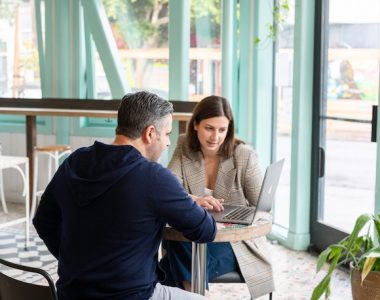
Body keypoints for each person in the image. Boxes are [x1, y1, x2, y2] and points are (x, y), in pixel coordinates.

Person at [33, 91, 216, 300]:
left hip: (72, 294)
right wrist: (186, 199)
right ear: (150, 133)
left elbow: (43, 221)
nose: (167, 143)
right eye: (166, 134)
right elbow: (205, 230)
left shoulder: (74, 162)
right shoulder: (154, 177)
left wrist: (79, 265)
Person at [159, 95, 274, 299]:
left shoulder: (244, 155)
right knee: (182, 244)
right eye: (209, 128)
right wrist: (194, 199)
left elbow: (262, 207)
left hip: (233, 243)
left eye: (222, 130)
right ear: (195, 125)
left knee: (164, 267)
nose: (216, 137)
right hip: (194, 237)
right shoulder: (184, 145)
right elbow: (170, 186)